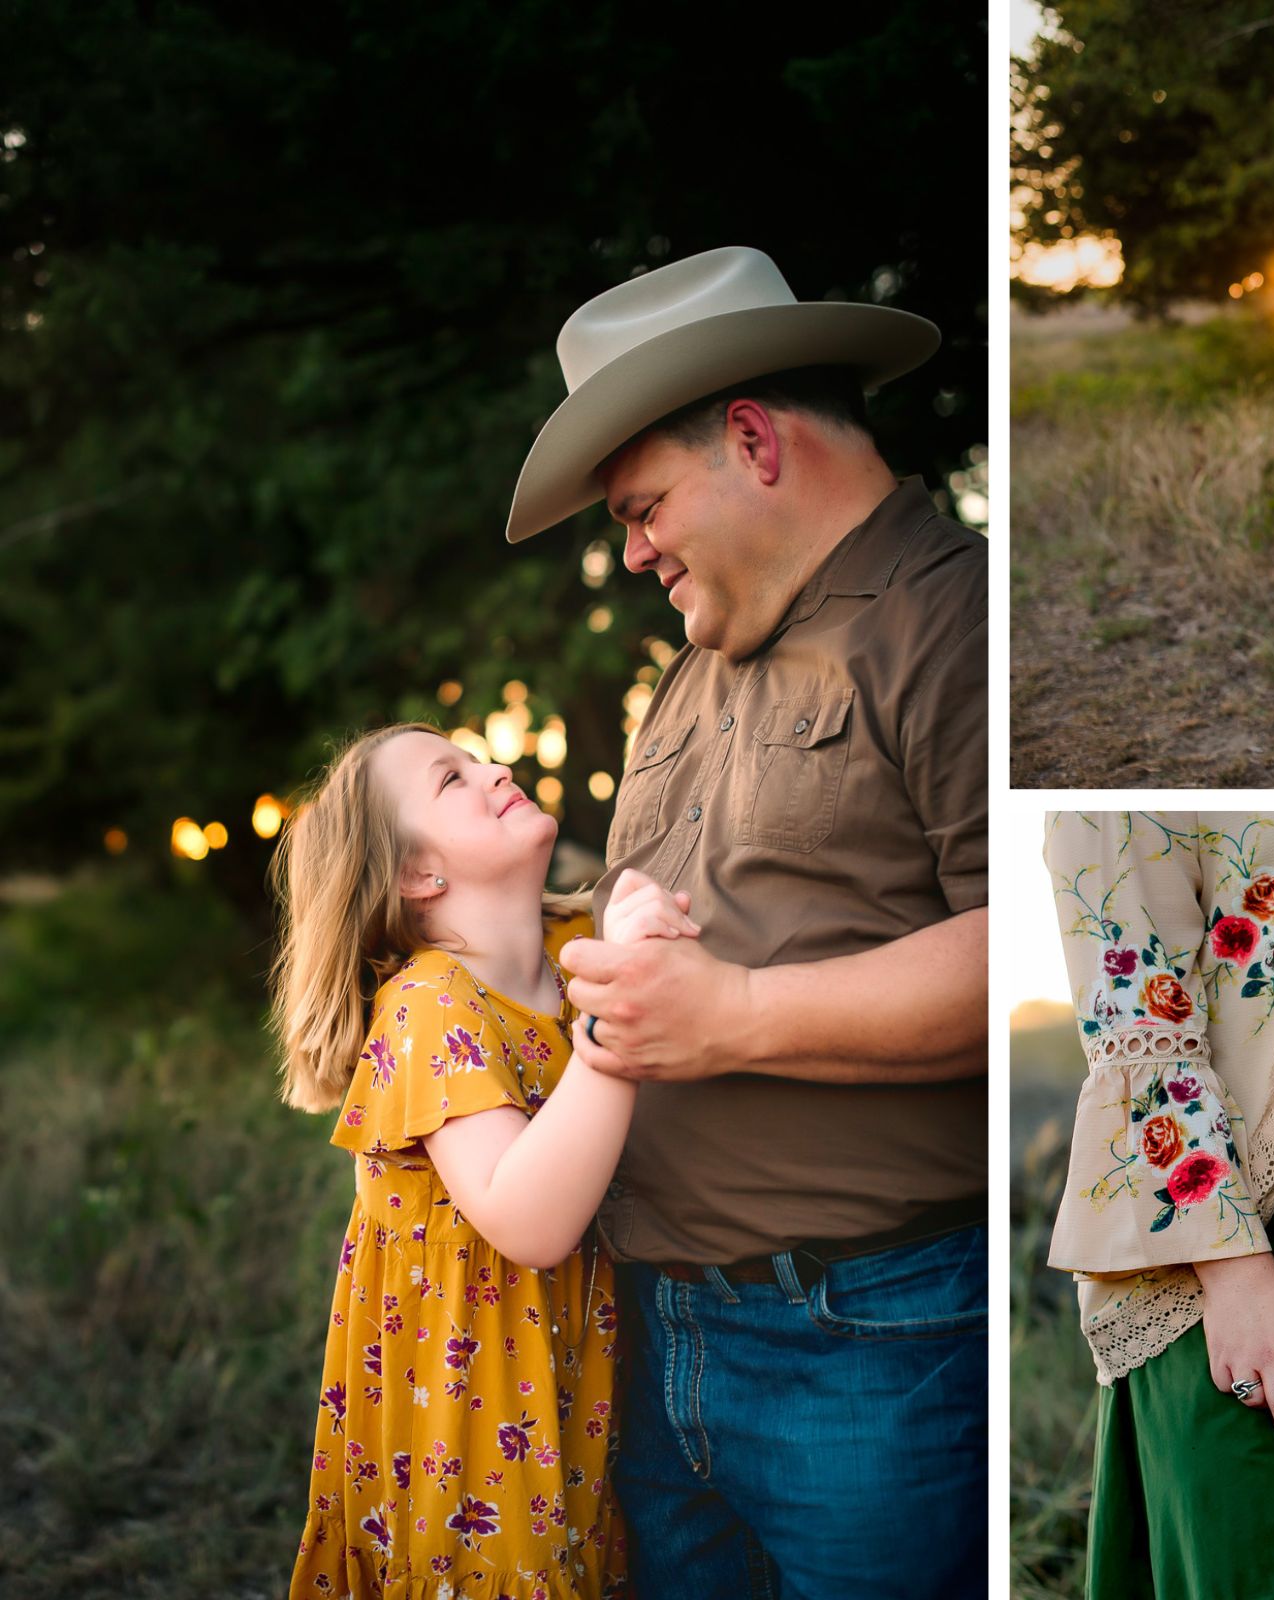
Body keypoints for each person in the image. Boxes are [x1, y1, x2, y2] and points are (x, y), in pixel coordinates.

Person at [502, 245, 987, 1598]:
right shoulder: (687, 677)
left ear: (755, 440)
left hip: (864, 1345)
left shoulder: (954, 618)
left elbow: (1030, 938)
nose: (635, 548)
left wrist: (739, 1018)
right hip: (657, 1342)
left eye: (644, 507)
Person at [272, 721, 697, 1597]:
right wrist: (625, 1001)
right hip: (473, 1412)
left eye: (478, 760)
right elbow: (528, 1217)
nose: (494, 768)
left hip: (576, 1385)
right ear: (418, 875)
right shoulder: (430, 1004)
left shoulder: (571, 947)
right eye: (451, 780)